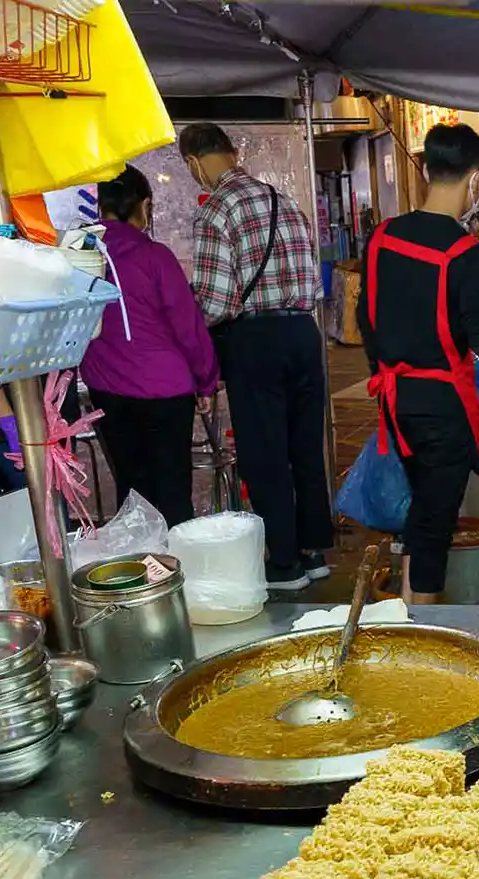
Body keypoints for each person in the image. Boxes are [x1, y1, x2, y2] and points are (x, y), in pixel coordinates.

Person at [357, 123, 479, 604]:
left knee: (417, 510)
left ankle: (405, 608)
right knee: (434, 520)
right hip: (443, 405)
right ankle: (418, 629)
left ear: (425, 169)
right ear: (478, 180)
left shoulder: (382, 238)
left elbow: (366, 319)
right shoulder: (466, 253)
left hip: (394, 401)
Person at [180, 121, 334, 591]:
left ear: (194, 163)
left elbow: (216, 303)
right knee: (306, 447)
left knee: (266, 453)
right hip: (303, 335)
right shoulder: (285, 203)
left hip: (256, 342)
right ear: (231, 151)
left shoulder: (216, 211)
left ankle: (284, 564)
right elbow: (312, 283)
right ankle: (314, 551)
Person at [78, 166, 218, 529]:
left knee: (133, 490)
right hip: (165, 392)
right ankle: (178, 574)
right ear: (145, 205)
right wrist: (206, 381)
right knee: (172, 489)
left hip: (106, 388)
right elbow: (188, 327)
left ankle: (143, 576)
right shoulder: (155, 256)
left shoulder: (80, 257)